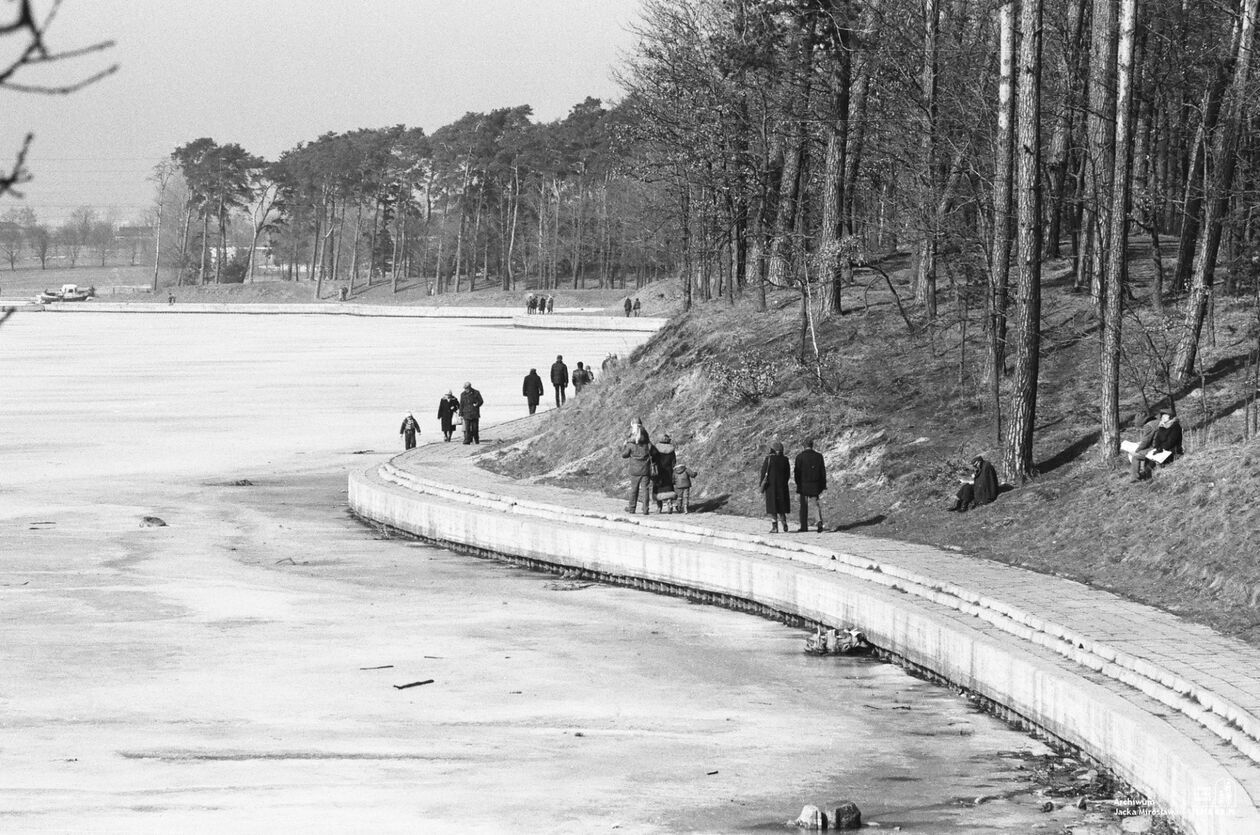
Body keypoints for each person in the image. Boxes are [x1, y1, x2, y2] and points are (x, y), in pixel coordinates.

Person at [622, 419, 655, 514]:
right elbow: (653, 452)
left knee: (634, 489)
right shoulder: (647, 443)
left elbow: (624, 455)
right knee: (645, 490)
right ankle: (645, 509)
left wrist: (624, 446)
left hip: (634, 470)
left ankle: (632, 508)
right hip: (645, 469)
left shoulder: (630, 444)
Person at [794, 438, 827, 532]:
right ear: (812, 445)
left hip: (803, 484)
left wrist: (798, 484)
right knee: (815, 504)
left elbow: (797, 473)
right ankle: (819, 521)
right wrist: (823, 484)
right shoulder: (819, 456)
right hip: (815, 484)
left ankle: (804, 526)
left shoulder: (799, 457)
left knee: (803, 506)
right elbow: (822, 472)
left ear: (803, 446)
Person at [760, 441, 791, 533]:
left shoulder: (769, 459)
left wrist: (761, 485)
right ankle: (784, 522)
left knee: (773, 507)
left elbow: (763, 473)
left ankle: (775, 527)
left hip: (771, 487)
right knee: (781, 506)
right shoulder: (785, 459)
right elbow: (787, 474)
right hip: (782, 486)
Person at [652, 433, 677, 512]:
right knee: (669, 487)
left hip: (659, 471)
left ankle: (659, 507)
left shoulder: (656, 448)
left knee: (658, 489)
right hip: (668, 471)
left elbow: (653, 459)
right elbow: (674, 461)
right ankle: (669, 502)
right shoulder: (671, 449)